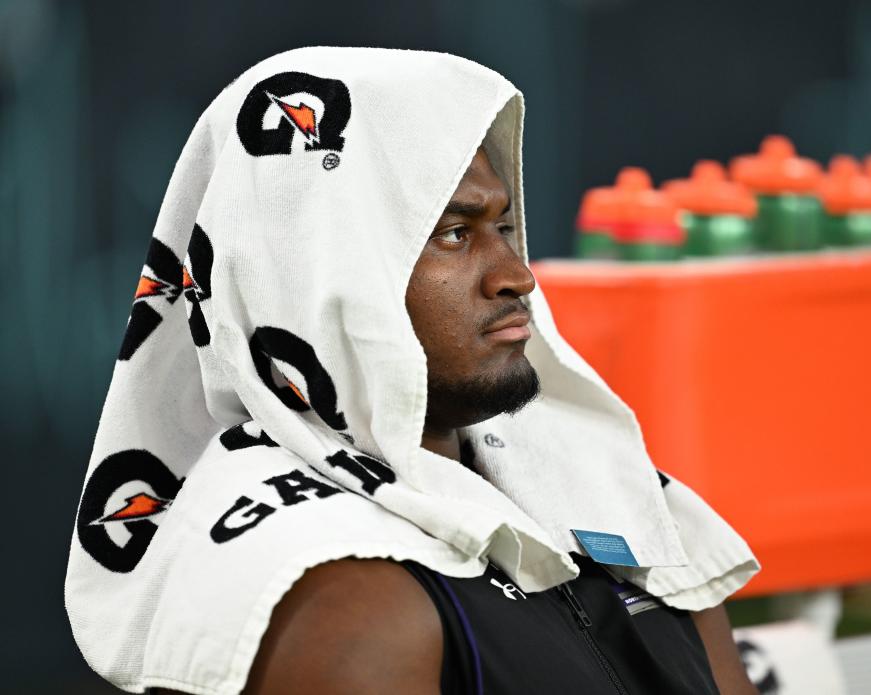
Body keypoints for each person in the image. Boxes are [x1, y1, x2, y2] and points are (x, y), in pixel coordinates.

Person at [66, 47, 759, 695]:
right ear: (319, 272)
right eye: (456, 234)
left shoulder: (613, 495)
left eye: (507, 226)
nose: (518, 276)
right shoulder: (342, 599)